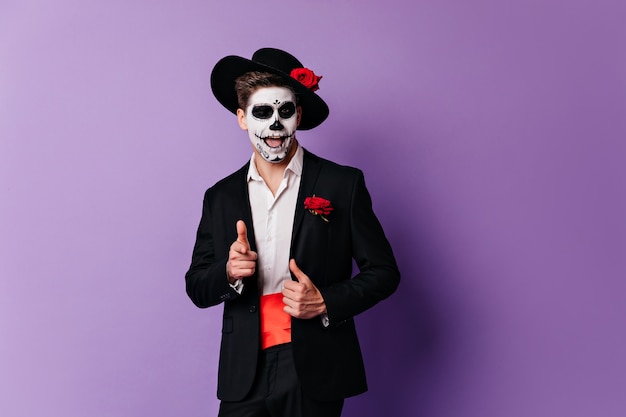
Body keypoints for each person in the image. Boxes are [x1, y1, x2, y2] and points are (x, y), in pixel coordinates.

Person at [185, 47, 400, 417]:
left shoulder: (341, 184)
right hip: (244, 372)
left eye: (285, 111)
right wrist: (228, 272)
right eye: (262, 112)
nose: (275, 125)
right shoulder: (219, 197)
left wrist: (326, 302)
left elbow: (384, 273)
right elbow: (197, 287)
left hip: (315, 367)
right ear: (242, 118)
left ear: (298, 115)